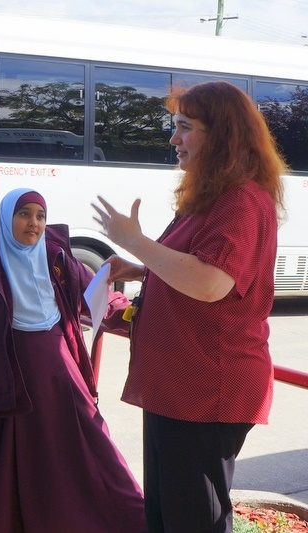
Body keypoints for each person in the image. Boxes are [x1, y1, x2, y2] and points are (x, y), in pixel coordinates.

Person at [92, 80, 285, 533]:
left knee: (192, 518)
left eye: (185, 127)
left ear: (222, 135)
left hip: (205, 388)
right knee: (168, 512)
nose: (174, 139)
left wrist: (136, 242)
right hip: (179, 384)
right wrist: (140, 268)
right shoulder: (214, 193)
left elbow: (212, 282)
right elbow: (198, 266)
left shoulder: (240, 199)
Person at [0, 188, 146, 533]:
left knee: (87, 442)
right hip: (9, 374)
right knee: (24, 457)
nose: (34, 223)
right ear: (6, 216)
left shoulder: (55, 256)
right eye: (24, 213)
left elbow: (97, 296)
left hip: (59, 368)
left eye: (40, 215)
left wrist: (137, 318)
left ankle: (125, 518)